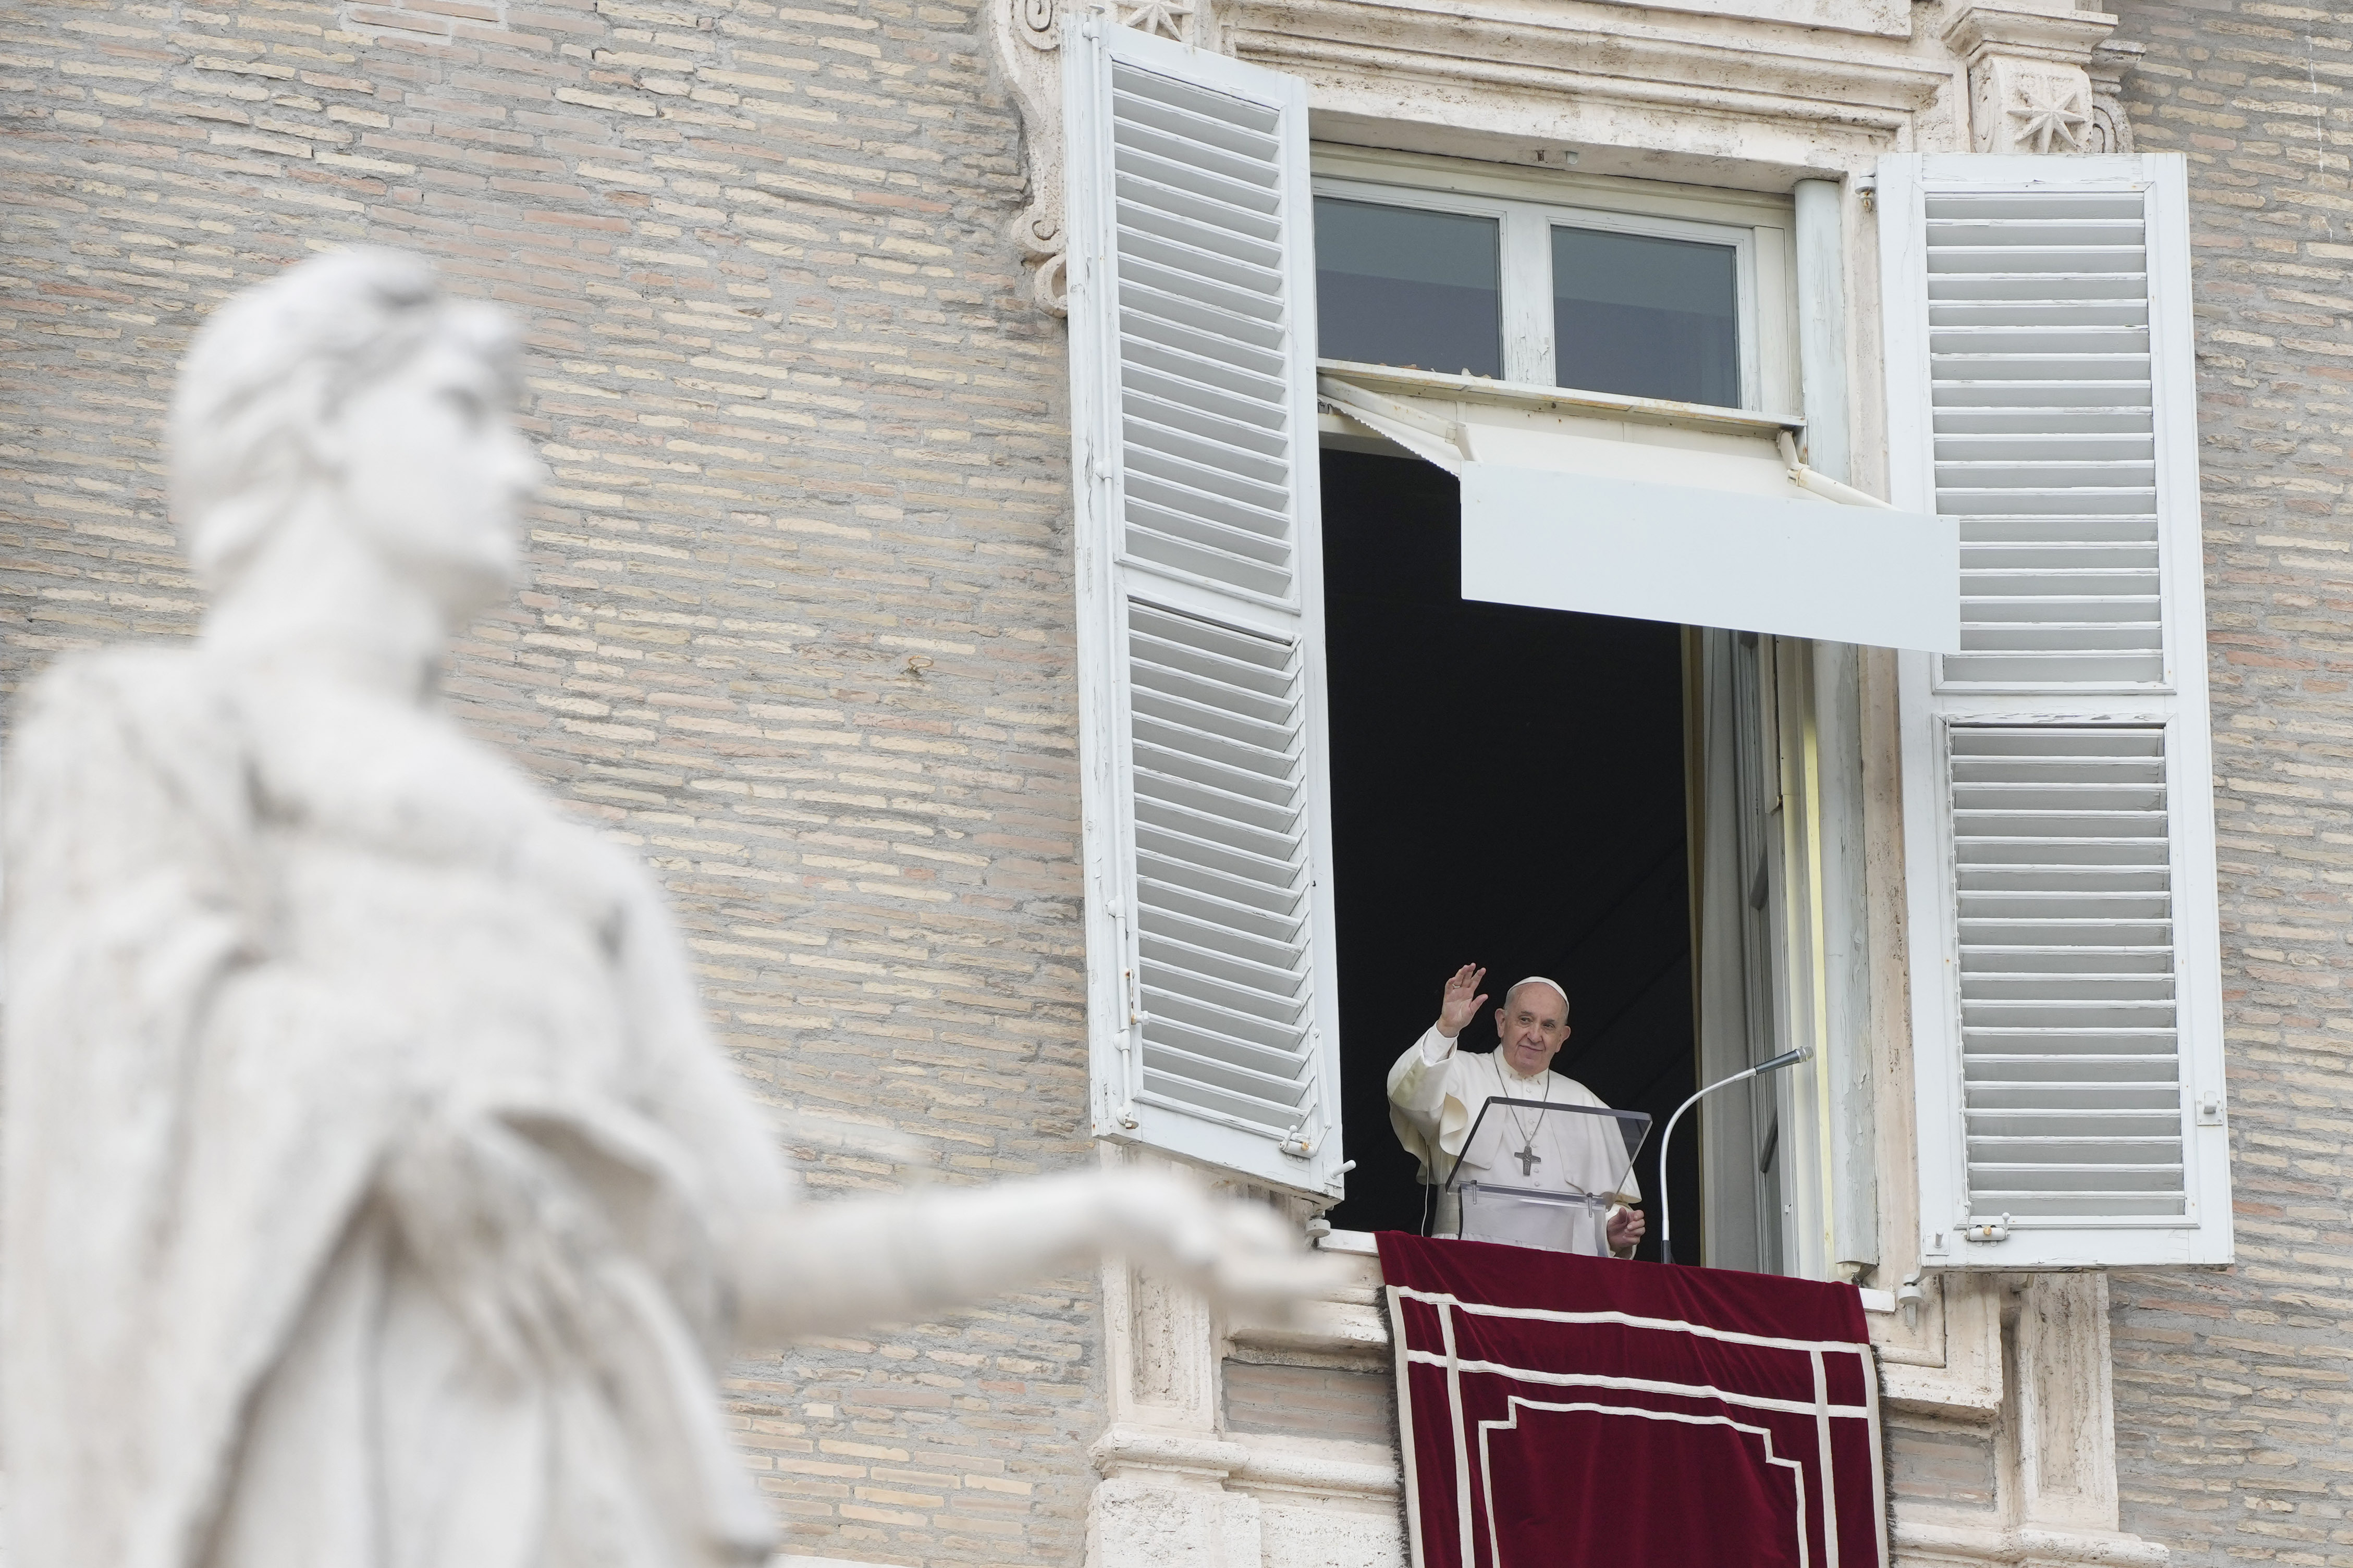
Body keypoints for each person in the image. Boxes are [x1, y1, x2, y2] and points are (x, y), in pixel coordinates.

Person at [0, 248, 1333, 1568]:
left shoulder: (582, 878)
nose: (521, 469)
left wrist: (1101, 1219)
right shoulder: (145, 732)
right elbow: (89, 1039)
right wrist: (390, 1118)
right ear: (319, 425)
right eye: (463, 411)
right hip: (322, 1479)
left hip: (566, 1495)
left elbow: (736, 1268)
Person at [1388, 965, 1647, 1257]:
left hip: (1561, 1274)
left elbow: (1611, 1205)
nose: (1535, 1035)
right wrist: (1446, 1029)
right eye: (1525, 1020)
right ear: (1501, 1022)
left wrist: (1613, 1231)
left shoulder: (1588, 1104)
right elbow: (1407, 1095)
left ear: (1563, 1037)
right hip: (1468, 1260)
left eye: (1548, 1026)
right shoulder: (1456, 1070)